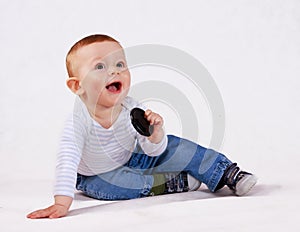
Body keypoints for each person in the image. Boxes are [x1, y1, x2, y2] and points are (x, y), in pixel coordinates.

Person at [27, 34, 257, 219]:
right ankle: (174, 182)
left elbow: (153, 151)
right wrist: (62, 202)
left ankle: (226, 173)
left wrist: (155, 136)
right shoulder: (79, 122)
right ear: (77, 86)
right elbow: (67, 161)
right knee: (122, 185)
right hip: (95, 175)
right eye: (100, 66)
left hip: (132, 157)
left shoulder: (131, 108)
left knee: (175, 146)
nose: (114, 71)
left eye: (120, 64)